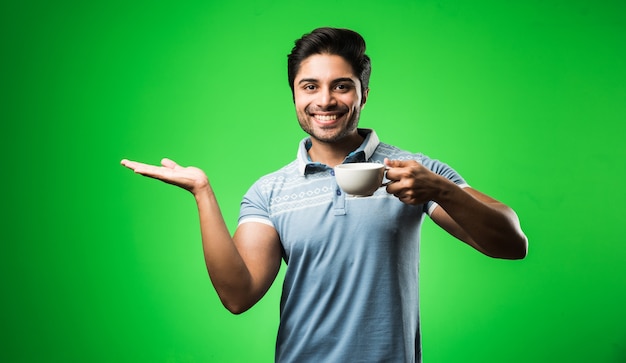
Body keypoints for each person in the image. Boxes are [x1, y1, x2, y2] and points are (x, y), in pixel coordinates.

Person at [121, 27, 528, 363]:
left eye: (342, 87)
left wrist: (441, 190)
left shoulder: (413, 172)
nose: (325, 100)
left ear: (363, 95)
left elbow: (511, 243)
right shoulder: (270, 191)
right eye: (309, 86)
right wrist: (202, 193)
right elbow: (238, 295)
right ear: (295, 96)